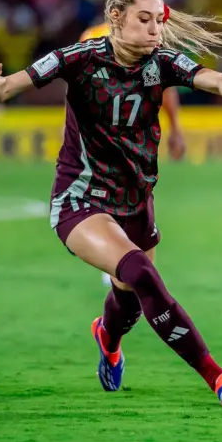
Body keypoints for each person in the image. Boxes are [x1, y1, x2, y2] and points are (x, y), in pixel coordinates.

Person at [0, 0, 222, 406]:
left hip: (136, 201)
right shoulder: (78, 58)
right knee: (141, 273)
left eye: (159, 20)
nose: (156, 30)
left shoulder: (164, 63)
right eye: (144, 20)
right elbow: (3, 90)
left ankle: (107, 337)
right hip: (81, 199)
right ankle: (217, 377)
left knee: (130, 297)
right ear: (116, 17)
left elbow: (220, 83)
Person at [80, 21, 185, 289]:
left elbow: (163, 84)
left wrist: (175, 128)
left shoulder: (148, 39)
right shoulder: (94, 37)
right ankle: (118, 258)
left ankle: (121, 258)